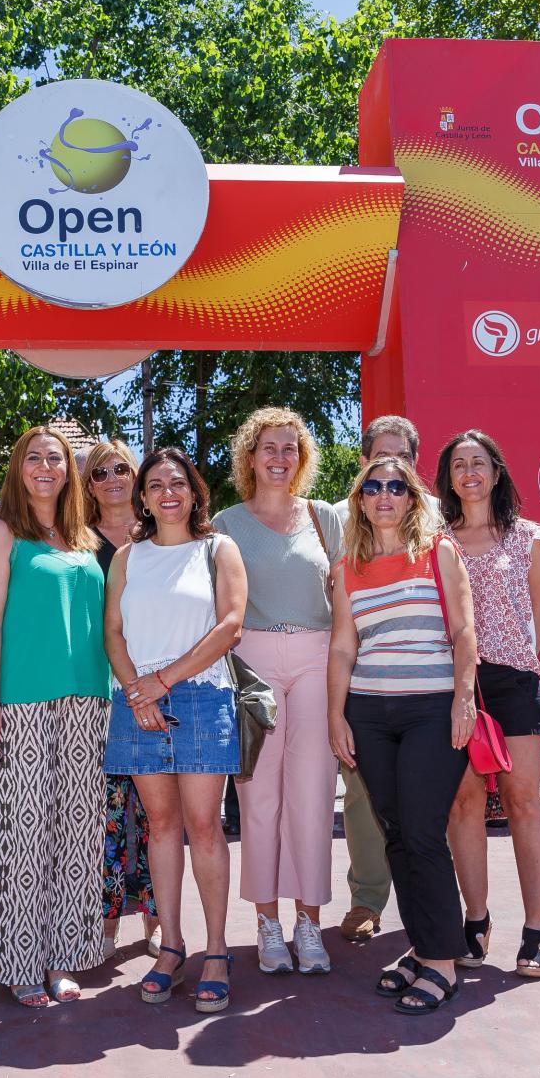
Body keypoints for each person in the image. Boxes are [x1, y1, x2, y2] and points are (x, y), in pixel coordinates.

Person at [326, 453, 477, 1014]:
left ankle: (442, 964)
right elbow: (343, 646)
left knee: (421, 832)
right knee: (395, 834)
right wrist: (334, 715)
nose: (384, 495)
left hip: (431, 710)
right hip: (368, 713)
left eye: (396, 486)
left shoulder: (438, 552)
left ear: (412, 498)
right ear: (360, 501)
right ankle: (424, 946)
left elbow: (464, 630)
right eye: (373, 487)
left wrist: (464, 696)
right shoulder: (346, 567)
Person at [0, 427, 112, 1007]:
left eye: (56, 458)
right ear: (19, 469)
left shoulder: (82, 537)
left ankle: (63, 957)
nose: (47, 466)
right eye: (35, 457)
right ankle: (21, 961)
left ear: (69, 470)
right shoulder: (3, 533)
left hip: (88, 699)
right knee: (24, 832)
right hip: (22, 700)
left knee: (76, 830)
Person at [104, 448, 247, 1012]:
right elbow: (112, 630)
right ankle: (171, 947)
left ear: (194, 491)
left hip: (202, 697)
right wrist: (137, 688)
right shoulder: (126, 557)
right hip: (135, 699)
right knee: (160, 827)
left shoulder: (219, 548)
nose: (168, 492)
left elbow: (231, 624)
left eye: (178, 482)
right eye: (156, 484)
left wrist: (162, 681)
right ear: (142, 496)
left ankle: (216, 951)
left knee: (203, 827)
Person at [212, 407, 342, 976]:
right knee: (258, 797)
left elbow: (347, 597)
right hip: (252, 664)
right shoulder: (224, 523)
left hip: (317, 658)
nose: (280, 457)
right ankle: (267, 923)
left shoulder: (324, 519)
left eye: (290, 448)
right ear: (250, 456)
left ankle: (308, 924)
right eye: (269, 447)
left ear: (303, 457)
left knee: (313, 796)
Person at [437, 429, 540, 978]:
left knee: (523, 801)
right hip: (453, 683)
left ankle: (537, 929)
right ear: (449, 478)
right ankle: (476, 919)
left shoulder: (528, 537)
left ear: (496, 471)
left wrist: (511, 661)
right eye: (459, 464)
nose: (469, 473)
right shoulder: (434, 539)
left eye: (479, 462)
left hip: (512, 682)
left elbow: (538, 618)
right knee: (463, 803)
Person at [329, 414, 440, 944]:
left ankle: (440, 916)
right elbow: (341, 624)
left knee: (433, 813)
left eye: (402, 466)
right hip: (367, 695)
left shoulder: (442, 524)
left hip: (433, 695)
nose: (387, 487)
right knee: (363, 799)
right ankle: (367, 900)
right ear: (362, 468)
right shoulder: (341, 519)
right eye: (377, 467)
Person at [85, 438, 159, 961]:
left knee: (159, 814)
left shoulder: (162, 534)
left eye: (121, 468)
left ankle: (158, 918)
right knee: (108, 814)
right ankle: (108, 921)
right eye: (98, 472)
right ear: (87, 485)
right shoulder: (76, 540)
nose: (112, 478)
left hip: (156, 687)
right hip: (99, 691)